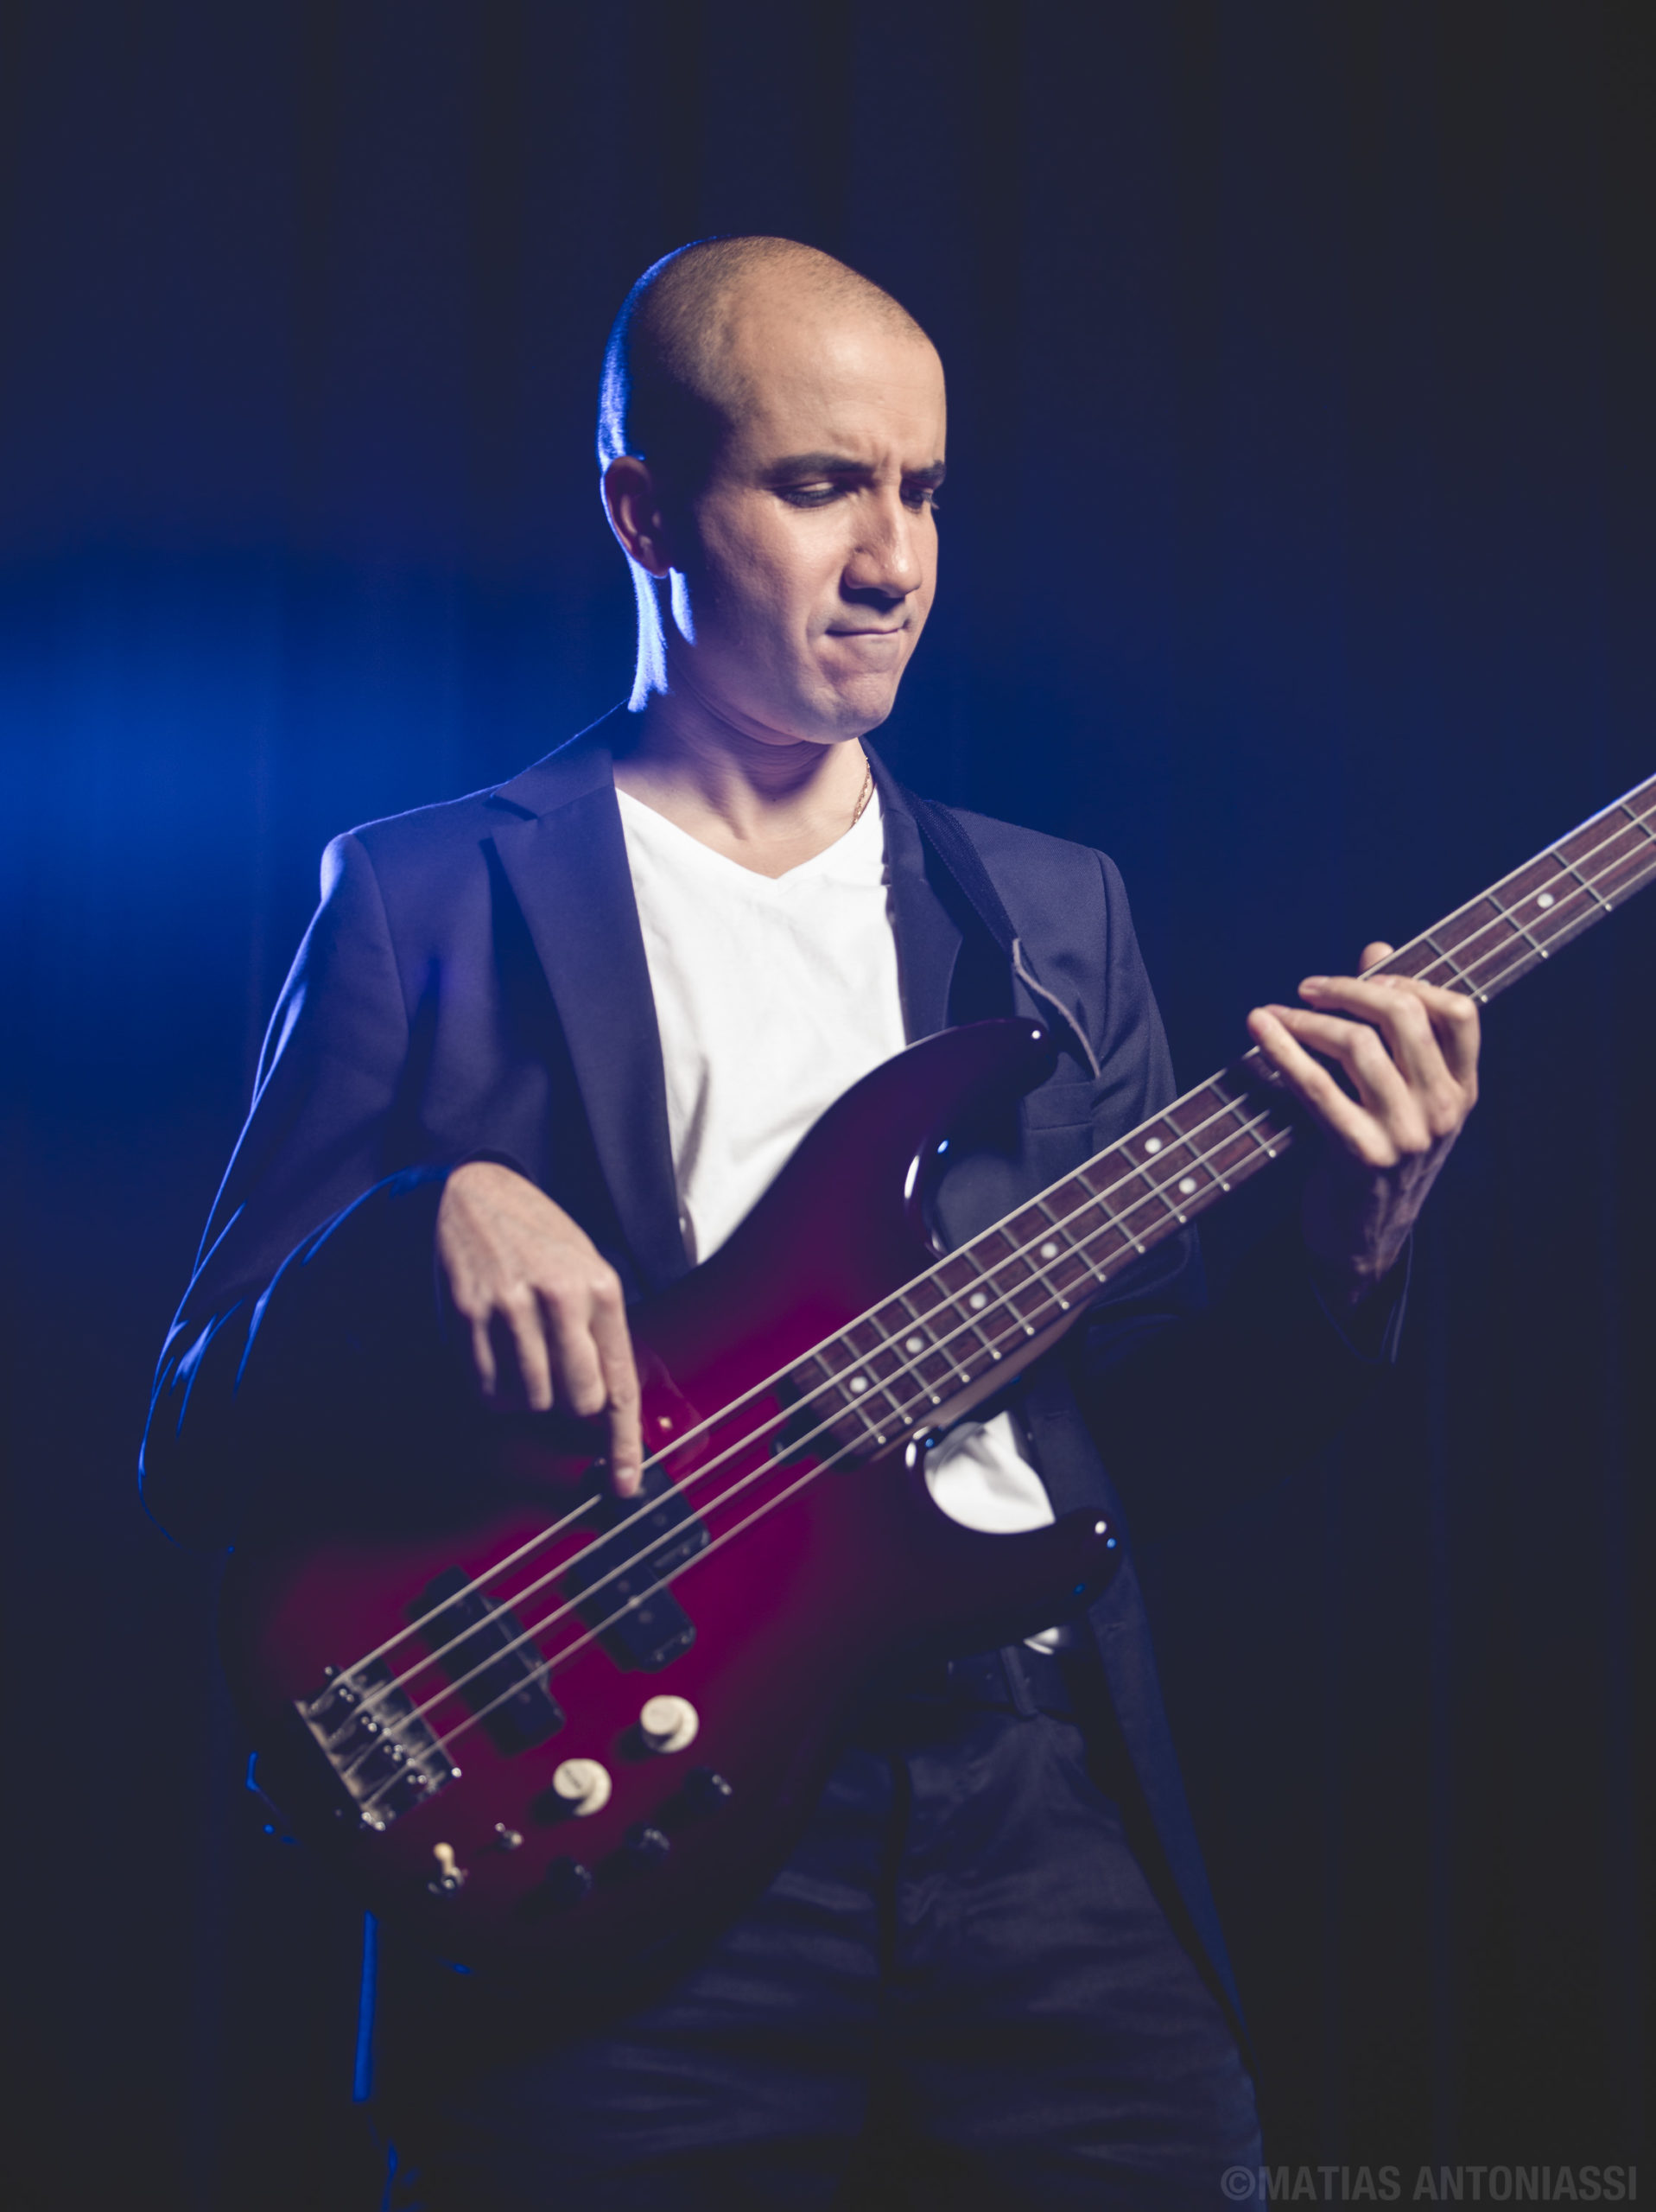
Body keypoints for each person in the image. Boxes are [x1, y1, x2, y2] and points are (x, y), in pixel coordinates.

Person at [142, 238, 1480, 2209]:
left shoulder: (1051, 915)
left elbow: (1152, 1436)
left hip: (1030, 1806)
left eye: (922, 490)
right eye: (819, 485)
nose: (892, 561)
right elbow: (194, 1432)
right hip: (633, 1825)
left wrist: (1351, 1244)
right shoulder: (424, 897)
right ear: (641, 511)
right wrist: (421, 1222)